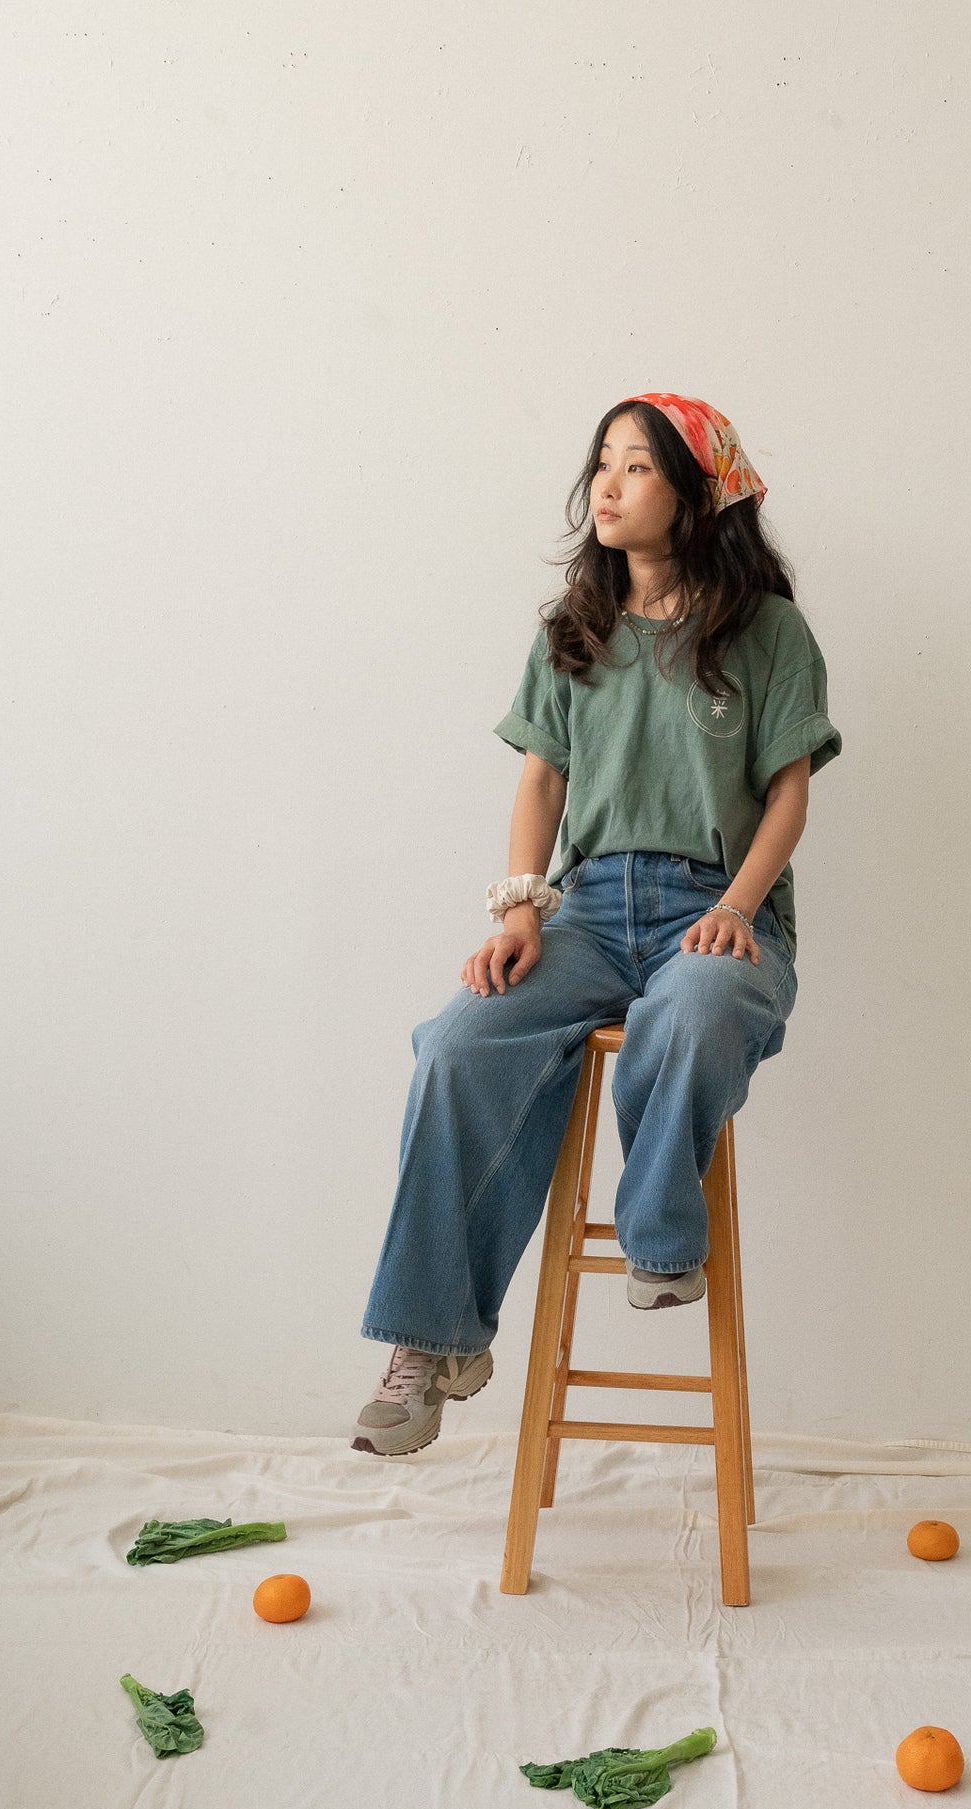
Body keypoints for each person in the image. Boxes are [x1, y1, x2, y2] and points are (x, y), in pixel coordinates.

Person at [352, 392, 842, 1455]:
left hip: (716, 906)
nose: (607, 486)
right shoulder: (571, 630)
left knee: (701, 1001)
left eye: (637, 467)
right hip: (585, 911)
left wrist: (733, 908)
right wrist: (522, 907)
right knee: (455, 1041)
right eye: (602, 465)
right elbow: (541, 780)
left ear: (695, 493)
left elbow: (790, 793)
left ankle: (660, 1233)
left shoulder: (766, 631)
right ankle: (430, 1342)